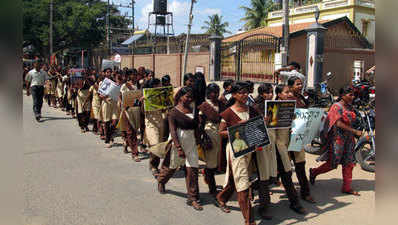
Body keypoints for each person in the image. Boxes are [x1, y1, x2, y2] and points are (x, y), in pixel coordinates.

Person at [215, 82, 258, 225]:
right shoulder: (228, 112)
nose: (245, 95)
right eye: (241, 93)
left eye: (246, 92)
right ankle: (249, 220)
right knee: (243, 183)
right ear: (233, 95)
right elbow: (220, 132)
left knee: (237, 178)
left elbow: (257, 127)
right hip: (235, 150)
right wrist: (236, 128)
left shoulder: (251, 110)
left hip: (249, 148)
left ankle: (221, 197)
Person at [309, 86, 362, 196]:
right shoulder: (336, 107)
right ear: (342, 96)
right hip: (337, 139)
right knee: (333, 163)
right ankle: (314, 172)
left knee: (349, 162)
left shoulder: (350, 107)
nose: (353, 97)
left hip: (349, 139)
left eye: (353, 95)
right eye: (350, 95)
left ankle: (346, 187)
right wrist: (354, 131)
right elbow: (338, 123)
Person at [157, 87, 203, 211]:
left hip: (191, 141)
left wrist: (199, 138)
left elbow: (196, 127)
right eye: (187, 96)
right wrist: (178, 147)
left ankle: (192, 197)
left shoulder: (193, 110)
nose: (189, 99)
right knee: (171, 167)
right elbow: (173, 131)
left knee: (192, 169)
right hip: (179, 141)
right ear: (181, 97)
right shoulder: (173, 112)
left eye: (191, 97)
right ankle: (161, 181)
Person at [273, 84, 307, 214]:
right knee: (285, 174)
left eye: (289, 92)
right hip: (278, 147)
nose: (290, 94)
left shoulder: (291, 106)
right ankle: (295, 203)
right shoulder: (274, 108)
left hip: (289, 144)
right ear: (279, 94)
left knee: (281, 174)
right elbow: (272, 131)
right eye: (286, 92)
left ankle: (295, 202)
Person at [288, 76, 315, 203]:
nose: (300, 86)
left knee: (300, 164)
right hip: (287, 136)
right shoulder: (286, 98)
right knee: (284, 167)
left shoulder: (302, 98)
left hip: (298, 135)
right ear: (290, 86)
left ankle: (305, 192)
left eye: (301, 84)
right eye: (297, 84)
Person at [252, 82, 277, 220]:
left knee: (272, 175)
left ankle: (252, 187)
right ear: (262, 94)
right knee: (264, 176)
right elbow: (253, 126)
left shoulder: (273, 106)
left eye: (272, 92)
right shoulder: (256, 107)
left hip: (271, 144)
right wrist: (263, 121)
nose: (271, 94)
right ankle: (264, 207)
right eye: (268, 92)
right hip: (261, 144)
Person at [197, 83, 226, 198]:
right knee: (210, 162)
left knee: (216, 160)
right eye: (213, 92)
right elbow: (200, 123)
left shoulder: (221, 104)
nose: (216, 94)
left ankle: (208, 176)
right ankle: (212, 188)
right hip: (209, 133)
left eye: (217, 92)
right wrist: (203, 137)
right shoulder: (204, 106)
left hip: (219, 134)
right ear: (208, 93)